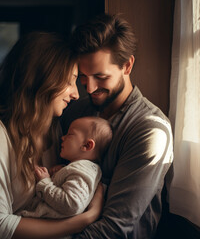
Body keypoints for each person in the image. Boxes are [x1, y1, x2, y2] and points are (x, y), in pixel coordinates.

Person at [0, 31, 104, 239]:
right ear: (43, 79)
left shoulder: (54, 131)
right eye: (70, 81)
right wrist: (82, 220)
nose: (75, 94)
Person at [60, 13, 174, 239]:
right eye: (83, 76)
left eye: (100, 76)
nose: (90, 88)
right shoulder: (74, 111)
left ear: (127, 65)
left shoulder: (150, 131)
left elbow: (115, 228)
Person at [20, 116, 112, 219]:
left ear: (87, 145)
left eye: (70, 134)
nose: (62, 137)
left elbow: (72, 204)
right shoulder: (84, 170)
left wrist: (45, 183)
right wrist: (62, 172)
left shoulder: (80, 171)